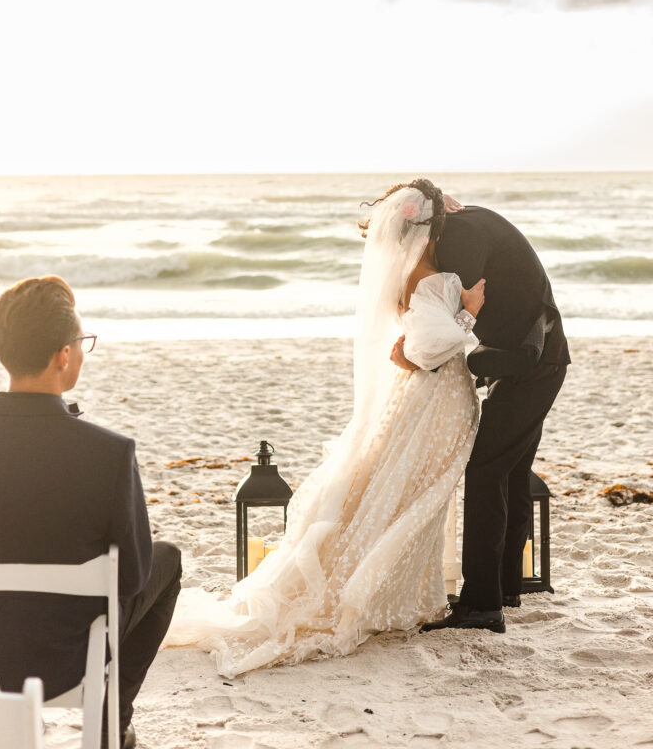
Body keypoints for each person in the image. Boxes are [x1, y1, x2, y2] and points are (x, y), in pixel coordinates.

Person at [167, 179, 485, 676]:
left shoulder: (410, 279)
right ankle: (388, 595)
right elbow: (428, 347)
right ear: (430, 234)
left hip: (425, 400)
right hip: (435, 404)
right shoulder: (432, 282)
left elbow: (411, 349)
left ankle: (411, 593)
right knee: (419, 497)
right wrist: (468, 313)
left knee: (409, 493)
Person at [0, 276, 182, 749]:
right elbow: (134, 578)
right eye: (82, 343)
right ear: (63, 355)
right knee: (168, 559)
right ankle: (112, 723)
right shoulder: (109, 453)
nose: (82, 352)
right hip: (69, 654)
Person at [391, 185, 570, 634]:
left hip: (531, 363)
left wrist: (410, 356)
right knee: (508, 470)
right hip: (532, 359)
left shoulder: (461, 239)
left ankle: (482, 604)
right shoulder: (465, 225)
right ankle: (503, 587)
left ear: (421, 226)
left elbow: (445, 328)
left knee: (487, 471)